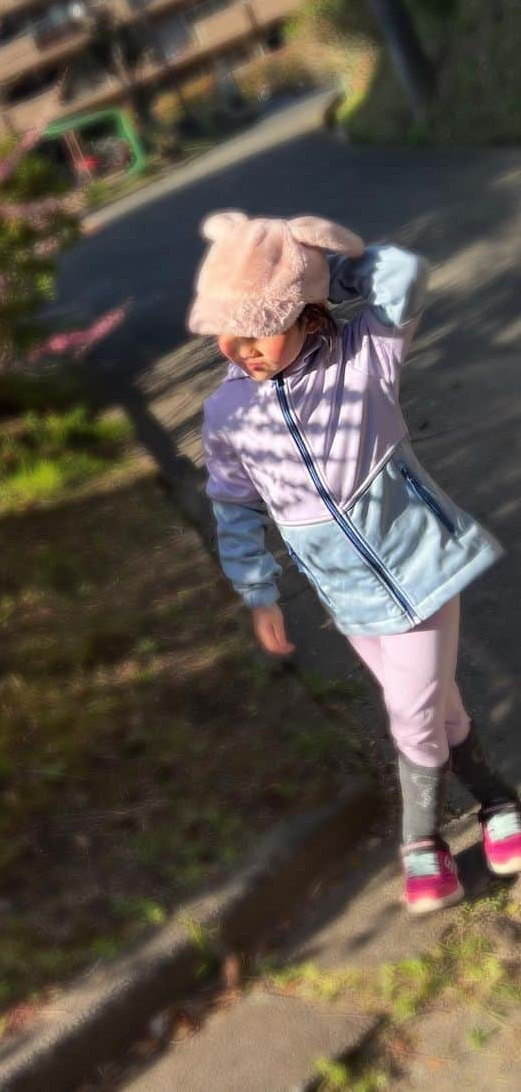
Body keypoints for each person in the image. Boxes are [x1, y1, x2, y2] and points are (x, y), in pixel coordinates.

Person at [188, 211, 521, 915]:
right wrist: (258, 590)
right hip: (349, 596)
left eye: (258, 325)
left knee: (411, 711)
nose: (237, 346)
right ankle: (498, 801)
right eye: (225, 328)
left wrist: (320, 261)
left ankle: (421, 843)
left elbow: (404, 274)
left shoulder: (362, 355)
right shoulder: (227, 413)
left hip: (420, 566)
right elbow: (232, 505)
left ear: (306, 314)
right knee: (437, 704)